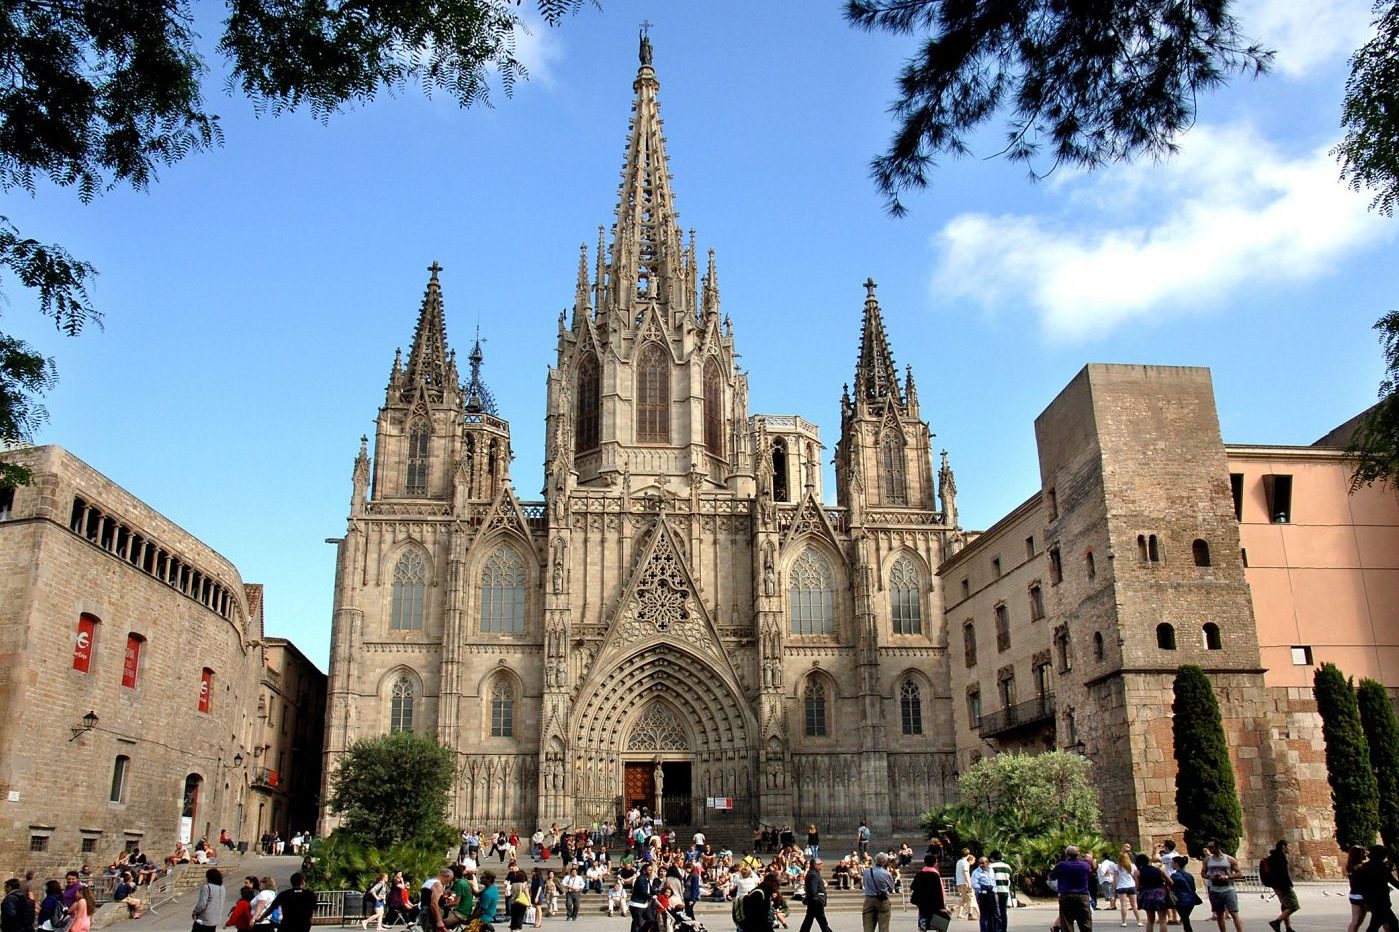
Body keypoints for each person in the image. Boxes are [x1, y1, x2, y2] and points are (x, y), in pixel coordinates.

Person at [1353, 845, 1399, 932]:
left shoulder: (1364, 867)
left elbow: (1359, 885)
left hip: (1371, 900)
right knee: (1385, 924)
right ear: (1381, 855)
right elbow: (1394, 882)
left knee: (1381, 923)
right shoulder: (1382, 868)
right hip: (1381, 901)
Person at [1201, 840, 1242, 932]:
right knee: (1219, 914)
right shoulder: (1207, 860)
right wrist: (1210, 876)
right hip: (1214, 890)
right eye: (1209, 847)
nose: (1210, 849)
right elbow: (1203, 873)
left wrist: (1227, 877)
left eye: (1211, 847)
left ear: (1218, 847)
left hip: (1228, 889)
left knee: (1234, 913)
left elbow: (1239, 873)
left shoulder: (1229, 859)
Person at [1049, 846, 1093, 932]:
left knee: (1067, 921)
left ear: (1066, 855)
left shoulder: (1062, 865)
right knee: (1085, 922)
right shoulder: (1085, 865)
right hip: (1082, 896)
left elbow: (1052, 876)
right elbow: (1090, 874)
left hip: (1066, 895)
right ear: (1078, 854)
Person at [909, 854, 950, 932]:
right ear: (934, 863)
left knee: (923, 921)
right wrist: (943, 904)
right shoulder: (935, 875)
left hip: (922, 902)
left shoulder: (920, 874)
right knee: (939, 923)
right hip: (934, 902)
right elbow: (939, 890)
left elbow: (913, 886)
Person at [1264, 840, 1297, 932]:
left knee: (1285, 906)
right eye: (1288, 846)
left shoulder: (1273, 856)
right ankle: (1277, 922)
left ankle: (1288, 928)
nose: (1290, 848)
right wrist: (1288, 885)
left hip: (1276, 886)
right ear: (1283, 847)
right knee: (1294, 905)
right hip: (1283, 886)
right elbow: (1282, 874)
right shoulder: (1281, 857)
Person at [862, 852, 897, 932]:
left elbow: (864, 883)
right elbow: (891, 888)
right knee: (883, 926)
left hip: (869, 899)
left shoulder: (866, 872)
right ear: (885, 862)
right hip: (882, 900)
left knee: (868, 925)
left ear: (875, 860)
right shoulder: (886, 874)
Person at [1134, 854, 1168, 932]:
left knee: (1150, 921)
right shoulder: (1158, 870)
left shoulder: (1138, 872)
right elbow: (1170, 882)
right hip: (1160, 894)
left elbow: (1137, 887)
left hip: (1147, 895)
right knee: (1163, 920)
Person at [797, 860, 833, 932]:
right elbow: (812, 890)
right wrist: (818, 899)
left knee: (808, 921)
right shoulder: (813, 874)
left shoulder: (814, 873)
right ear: (815, 865)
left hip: (814, 902)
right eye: (820, 864)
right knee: (822, 922)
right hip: (816, 902)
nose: (821, 865)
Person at [1170, 855, 1201, 932]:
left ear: (1176, 864)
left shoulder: (1175, 875)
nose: (1171, 865)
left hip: (1181, 899)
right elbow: (1193, 888)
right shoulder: (1189, 875)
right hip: (1191, 899)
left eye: (1172, 863)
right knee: (1185, 919)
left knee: (1185, 920)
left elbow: (1172, 887)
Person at [1113, 847, 1140, 928]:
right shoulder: (1132, 866)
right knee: (1134, 905)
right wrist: (1137, 885)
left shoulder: (1117, 866)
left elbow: (1115, 878)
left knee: (1123, 905)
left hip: (1121, 886)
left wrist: (1114, 888)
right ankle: (1139, 921)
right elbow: (1135, 877)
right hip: (1131, 885)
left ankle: (1124, 922)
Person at [1347, 846, 1371, 932]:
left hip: (1354, 895)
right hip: (1361, 895)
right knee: (1357, 921)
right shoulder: (1361, 868)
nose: (1366, 854)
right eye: (1363, 852)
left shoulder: (1351, 866)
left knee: (1356, 921)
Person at [970, 856, 996, 932]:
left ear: (987, 863)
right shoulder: (976, 872)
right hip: (983, 895)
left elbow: (994, 882)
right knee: (984, 915)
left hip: (992, 894)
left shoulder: (991, 870)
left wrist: (994, 889)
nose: (981, 865)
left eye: (983, 863)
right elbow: (974, 884)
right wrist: (983, 887)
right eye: (979, 863)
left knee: (992, 915)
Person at [988, 851, 1011, 932]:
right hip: (1004, 891)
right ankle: (1004, 929)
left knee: (995, 912)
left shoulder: (990, 866)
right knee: (1003, 911)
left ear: (992, 858)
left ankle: (997, 929)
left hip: (995, 892)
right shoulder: (1007, 866)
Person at [955, 851, 977, 922]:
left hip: (960, 882)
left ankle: (954, 911)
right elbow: (966, 873)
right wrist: (969, 883)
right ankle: (970, 915)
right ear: (968, 855)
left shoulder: (959, 862)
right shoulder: (966, 863)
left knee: (964, 899)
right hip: (965, 882)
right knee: (971, 898)